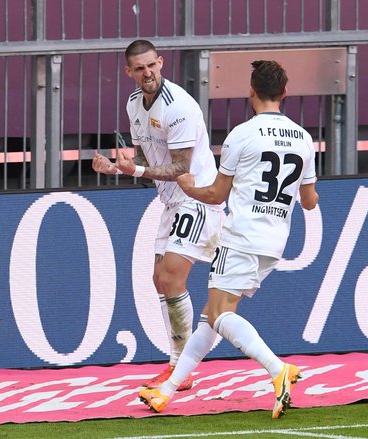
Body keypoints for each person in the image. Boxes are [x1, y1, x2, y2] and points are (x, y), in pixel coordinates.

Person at [138, 60, 319, 419]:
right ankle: (167, 391)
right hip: (275, 240)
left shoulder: (241, 135)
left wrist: (189, 186)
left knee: (220, 315)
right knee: (210, 316)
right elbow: (310, 202)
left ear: (250, 91)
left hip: (240, 236)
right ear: (284, 93)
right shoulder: (304, 138)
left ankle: (277, 369)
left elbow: (218, 194)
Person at [92, 40, 225, 391]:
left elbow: (181, 167)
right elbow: (147, 162)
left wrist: (131, 170)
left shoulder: (178, 106)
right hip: (172, 200)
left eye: (152, 65)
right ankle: (179, 364)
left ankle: (181, 367)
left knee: (171, 276)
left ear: (161, 62)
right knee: (160, 280)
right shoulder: (134, 104)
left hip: (198, 196)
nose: (147, 73)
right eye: (139, 68)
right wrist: (118, 168)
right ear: (129, 72)